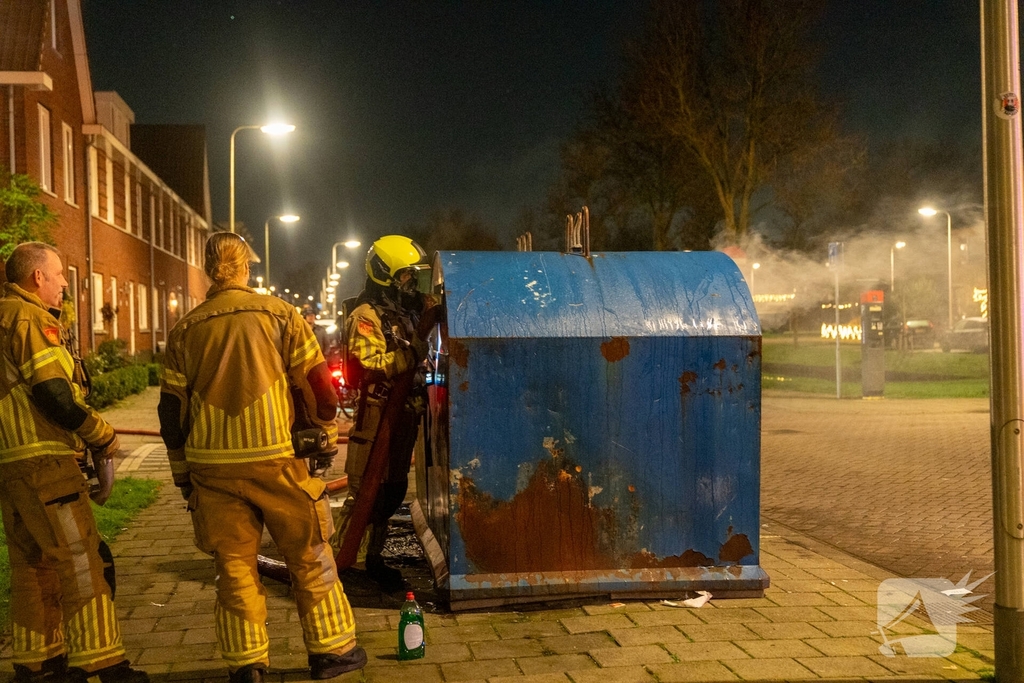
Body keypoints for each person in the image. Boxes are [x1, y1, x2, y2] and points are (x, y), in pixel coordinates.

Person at [157, 233, 365, 683]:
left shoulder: (185, 330)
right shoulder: (281, 315)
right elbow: (321, 390)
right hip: (277, 459)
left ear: (208, 268)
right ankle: (332, 652)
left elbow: (171, 412)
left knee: (234, 566)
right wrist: (325, 440)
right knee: (309, 554)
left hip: (212, 466)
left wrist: (182, 476)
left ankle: (247, 663)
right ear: (246, 268)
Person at [0, 242, 148, 683]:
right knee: (82, 558)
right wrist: (100, 434)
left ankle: (39, 663)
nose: (65, 282)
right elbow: (53, 393)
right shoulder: (29, 318)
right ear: (37, 277)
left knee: (31, 565)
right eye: (60, 273)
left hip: (10, 464)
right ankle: (101, 661)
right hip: (45, 460)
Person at [330, 235, 435, 585]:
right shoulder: (366, 316)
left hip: (403, 414)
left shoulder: (403, 312)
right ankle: (347, 561)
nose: (411, 283)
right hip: (376, 415)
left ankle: (372, 559)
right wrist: (411, 354)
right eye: (405, 275)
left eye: (413, 275)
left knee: (391, 492)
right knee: (367, 492)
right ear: (384, 275)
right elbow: (369, 365)